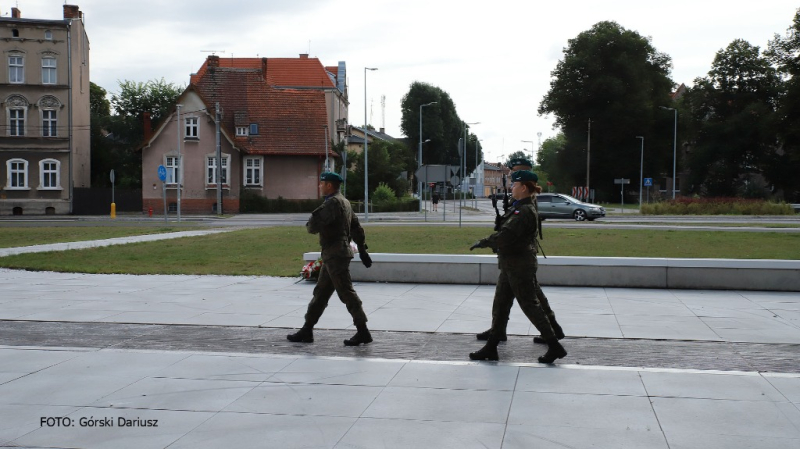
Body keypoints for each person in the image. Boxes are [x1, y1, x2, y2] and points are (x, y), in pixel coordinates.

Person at [468, 170, 567, 363]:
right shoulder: (520, 208)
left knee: (530, 306)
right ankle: (492, 346)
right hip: (511, 265)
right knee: (501, 305)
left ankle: (554, 345)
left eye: (514, 185)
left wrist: (485, 241)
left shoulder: (524, 211)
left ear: (523, 188)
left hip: (519, 266)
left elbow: (506, 236)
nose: (511, 188)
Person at [287, 172, 374, 346]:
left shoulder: (333, 203)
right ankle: (307, 329)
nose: (320, 186)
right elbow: (357, 227)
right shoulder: (345, 202)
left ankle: (363, 331)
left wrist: (315, 222)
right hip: (334, 254)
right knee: (321, 293)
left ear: (329, 186)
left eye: (322, 183)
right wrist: (362, 249)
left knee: (346, 292)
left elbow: (312, 226)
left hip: (335, 254)